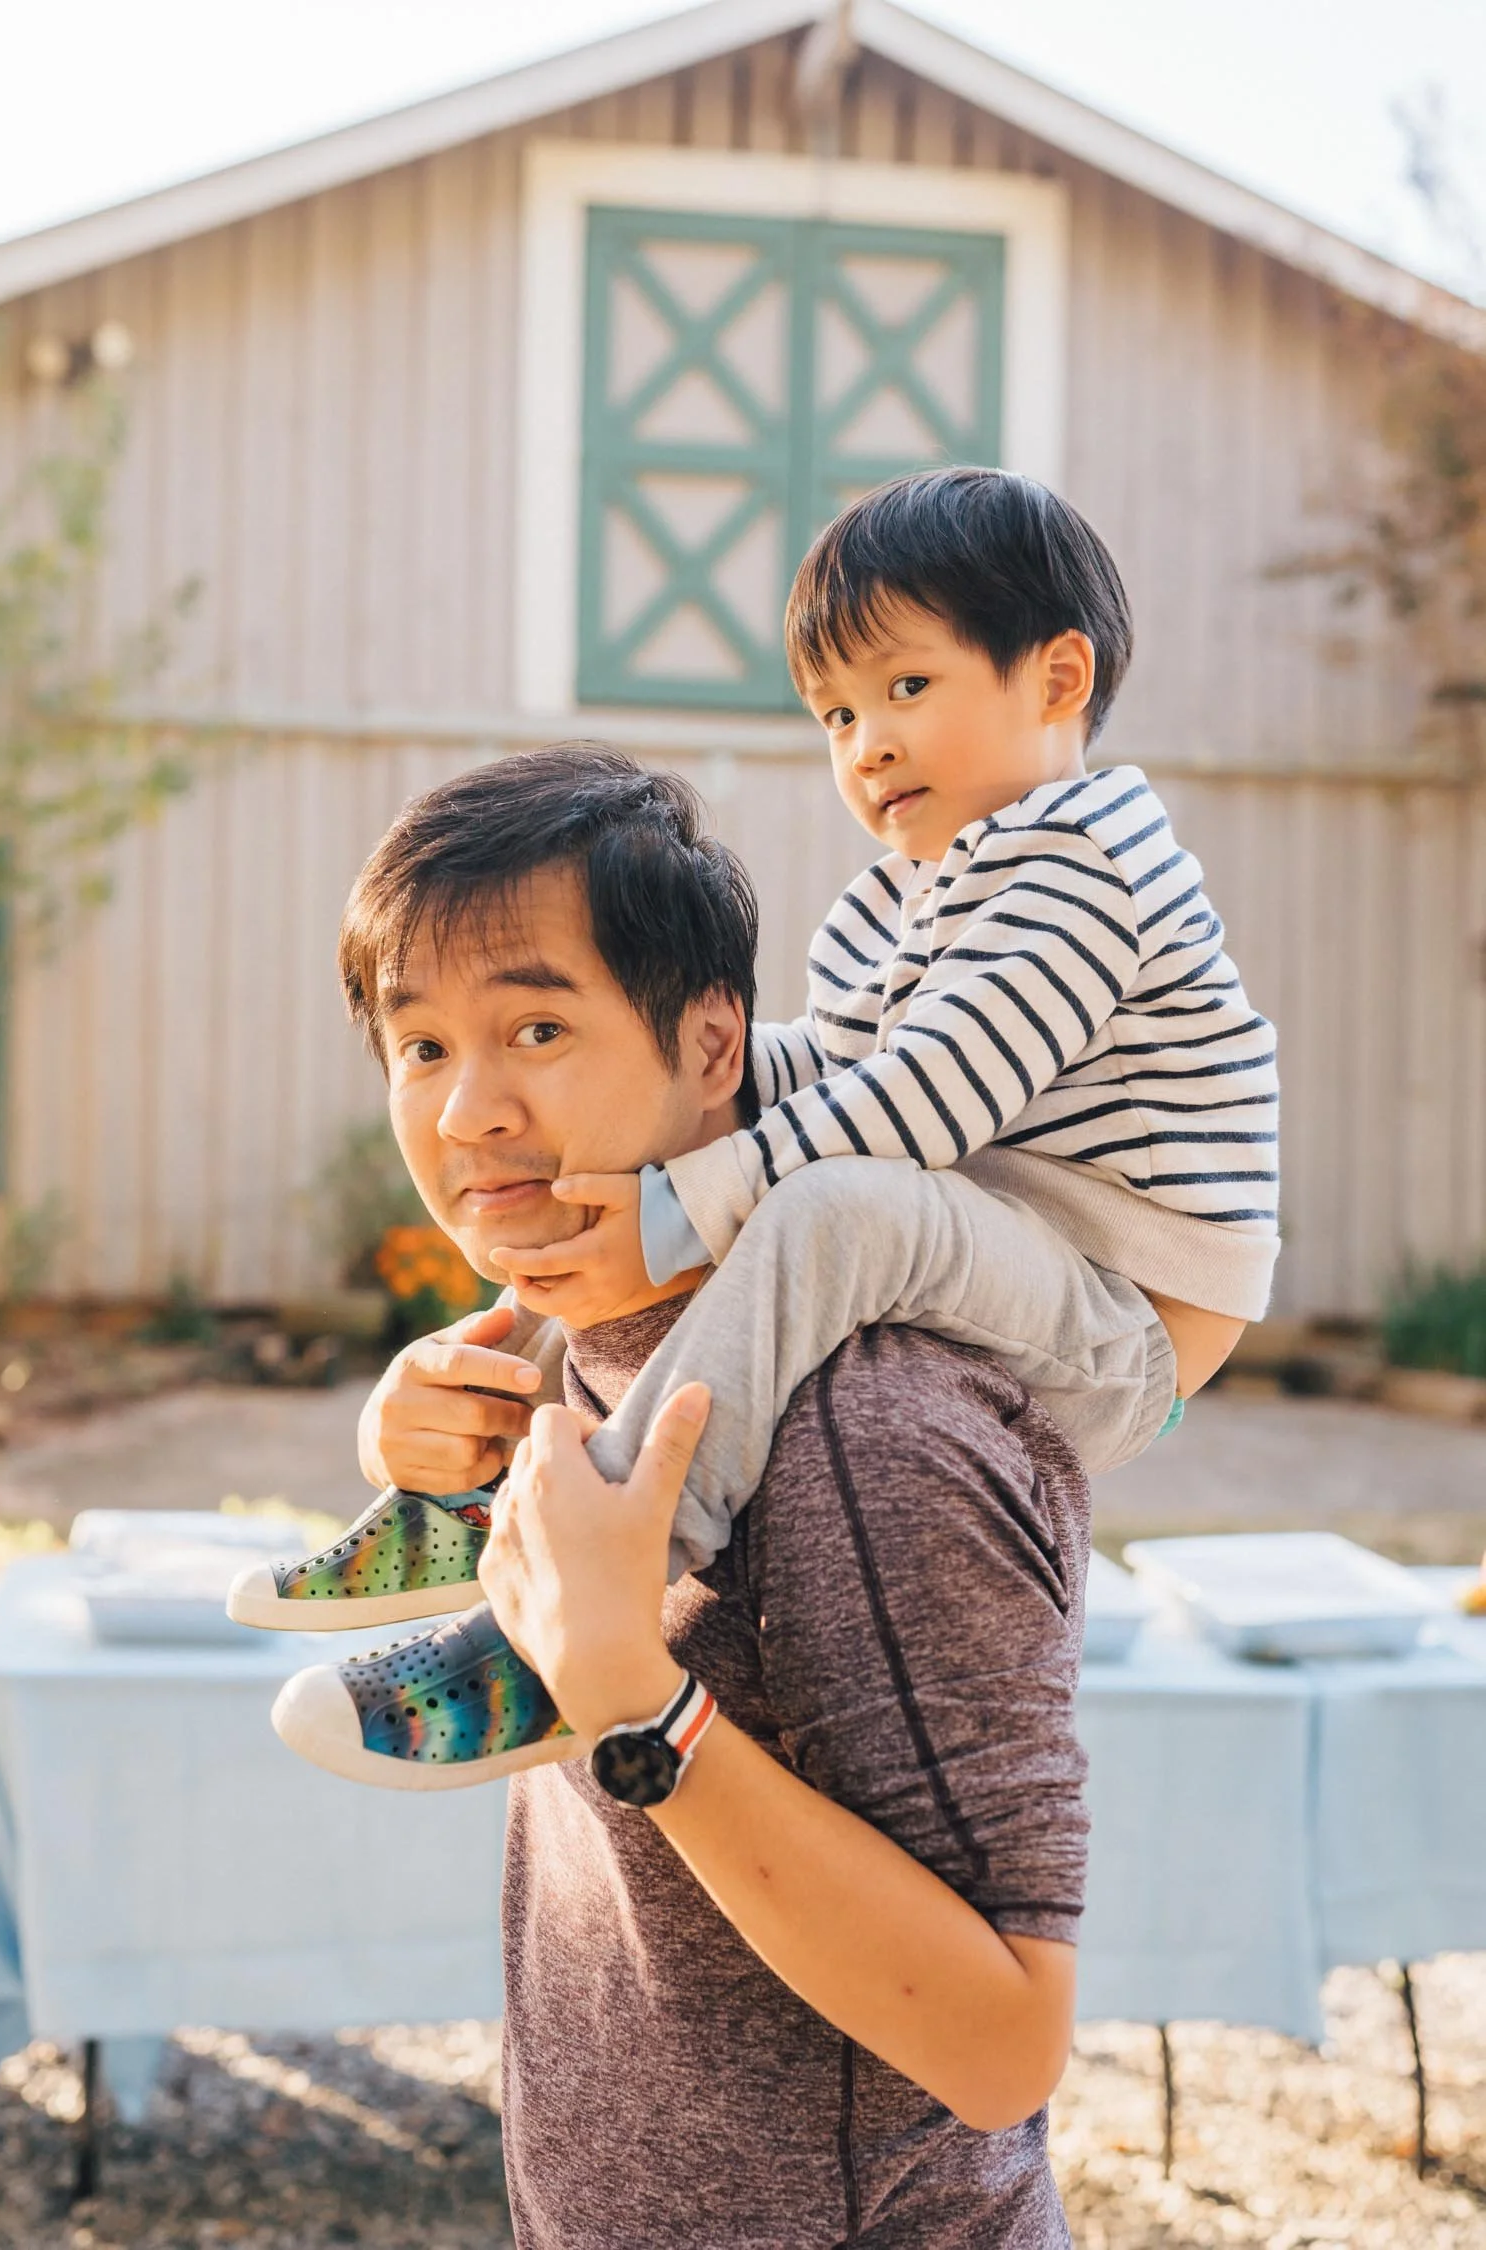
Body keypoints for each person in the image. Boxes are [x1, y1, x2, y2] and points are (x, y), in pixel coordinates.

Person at [231, 471, 1278, 1723]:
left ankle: (610, 1578)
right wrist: (687, 1116)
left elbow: (922, 1106)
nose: (867, 744)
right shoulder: (904, 896)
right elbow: (819, 1075)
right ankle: (468, 1484)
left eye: (906, 688)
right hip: (1012, 1247)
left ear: (1058, 679)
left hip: (1121, 1323)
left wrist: (683, 1204)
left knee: (817, 1206)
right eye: (833, 716)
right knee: (689, 1142)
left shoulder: (1091, 872)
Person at [274, 766, 1098, 2244]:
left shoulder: (871, 1426)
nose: (471, 1109)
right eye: (420, 1044)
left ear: (714, 1039)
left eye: (539, 1028)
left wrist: (633, 1703)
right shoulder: (590, 1356)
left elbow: (1005, 2046)